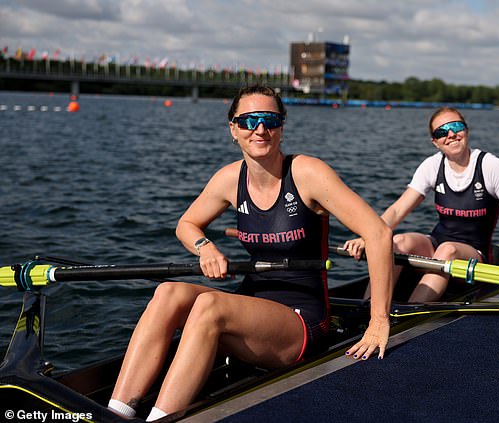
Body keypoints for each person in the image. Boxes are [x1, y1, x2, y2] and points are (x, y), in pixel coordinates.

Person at [107, 85, 394, 421]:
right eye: (249, 121)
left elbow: (378, 233)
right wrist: (205, 247)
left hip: (302, 322)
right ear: (233, 128)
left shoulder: (307, 173)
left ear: (282, 127)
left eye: (270, 120)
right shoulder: (229, 179)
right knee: (168, 292)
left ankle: (161, 418)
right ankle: (117, 412)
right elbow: (186, 224)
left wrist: (378, 321)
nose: (260, 129)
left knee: (209, 305)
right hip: (251, 309)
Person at [344, 107, 499, 303]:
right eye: (441, 132)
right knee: (398, 241)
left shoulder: (492, 167)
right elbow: (397, 209)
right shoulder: (432, 166)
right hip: (436, 244)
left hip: (475, 253)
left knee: (447, 250)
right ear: (435, 142)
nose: (451, 134)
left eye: (456, 127)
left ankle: (411, 313)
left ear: (466, 130)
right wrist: (368, 237)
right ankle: (368, 309)